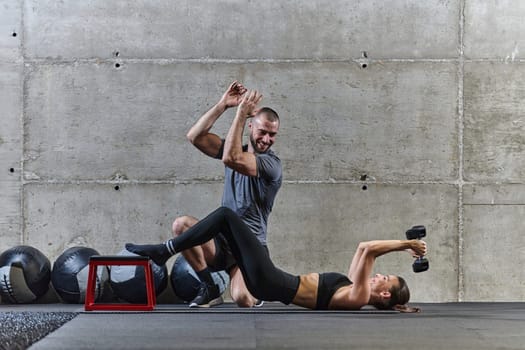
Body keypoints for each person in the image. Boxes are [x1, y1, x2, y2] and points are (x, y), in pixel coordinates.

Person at [126, 207, 427, 312]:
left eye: (384, 279)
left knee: (226, 216)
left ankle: (164, 250)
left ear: (384, 294)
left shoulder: (359, 296)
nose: (378, 276)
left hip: (270, 281)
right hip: (270, 281)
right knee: (225, 224)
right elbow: (363, 252)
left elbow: (368, 247)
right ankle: (172, 252)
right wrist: (406, 245)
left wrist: (406, 244)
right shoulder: (350, 288)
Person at [172, 81, 282, 308]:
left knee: (243, 299)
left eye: (273, 135)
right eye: (263, 132)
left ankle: (257, 284)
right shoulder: (234, 149)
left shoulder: (271, 165)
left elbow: (231, 159)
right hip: (221, 243)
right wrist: (224, 105)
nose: (267, 139)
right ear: (251, 127)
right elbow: (195, 136)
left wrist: (241, 114)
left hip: (250, 246)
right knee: (181, 226)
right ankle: (210, 287)